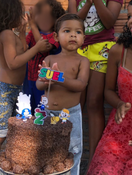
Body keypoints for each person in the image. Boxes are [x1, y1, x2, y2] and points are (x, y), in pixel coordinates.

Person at [88, 0, 132, 174]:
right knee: (105, 170)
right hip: (119, 132)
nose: (131, 20)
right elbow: (108, 91)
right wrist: (119, 104)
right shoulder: (117, 51)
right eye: (129, 16)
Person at [0, 0, 51, 169]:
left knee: (12, 129)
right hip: (6, 89)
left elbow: (23, 48)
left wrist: (23, 29)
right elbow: (13, 62)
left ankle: (4, 165)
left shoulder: (11, 33)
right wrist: (37, 47)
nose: (22, 16)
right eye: (20, 13)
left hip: (16, 88)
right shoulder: (5, 34)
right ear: (10, 13)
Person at [68, 0, 123, 163]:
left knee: (94, 102)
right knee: (75, 103)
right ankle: (70, 156)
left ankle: (93, 160)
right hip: (77, 49)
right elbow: (73, 22)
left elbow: (109, 22)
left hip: (102, 49)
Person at [37, 13, 90, 175]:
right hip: (46, 113)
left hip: (70, 115)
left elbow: (80, 85)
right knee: (45, 149)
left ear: (84, 38)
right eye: (67, 31)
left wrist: (58, 78)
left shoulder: (82, 61)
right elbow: (38, 84)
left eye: (78, 32)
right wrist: (45, 81)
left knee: (72, 150)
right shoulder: (50, 58)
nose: (73, 35)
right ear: (56, 36)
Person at [23, 0, 65, 114]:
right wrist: (22, 28)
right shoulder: (33, 32)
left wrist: (32, 25)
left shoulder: (55, 36)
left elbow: (44, 46)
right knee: (27, 111)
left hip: (45, 82)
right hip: (29, 79)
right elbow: (23, 48)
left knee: (42, 112)